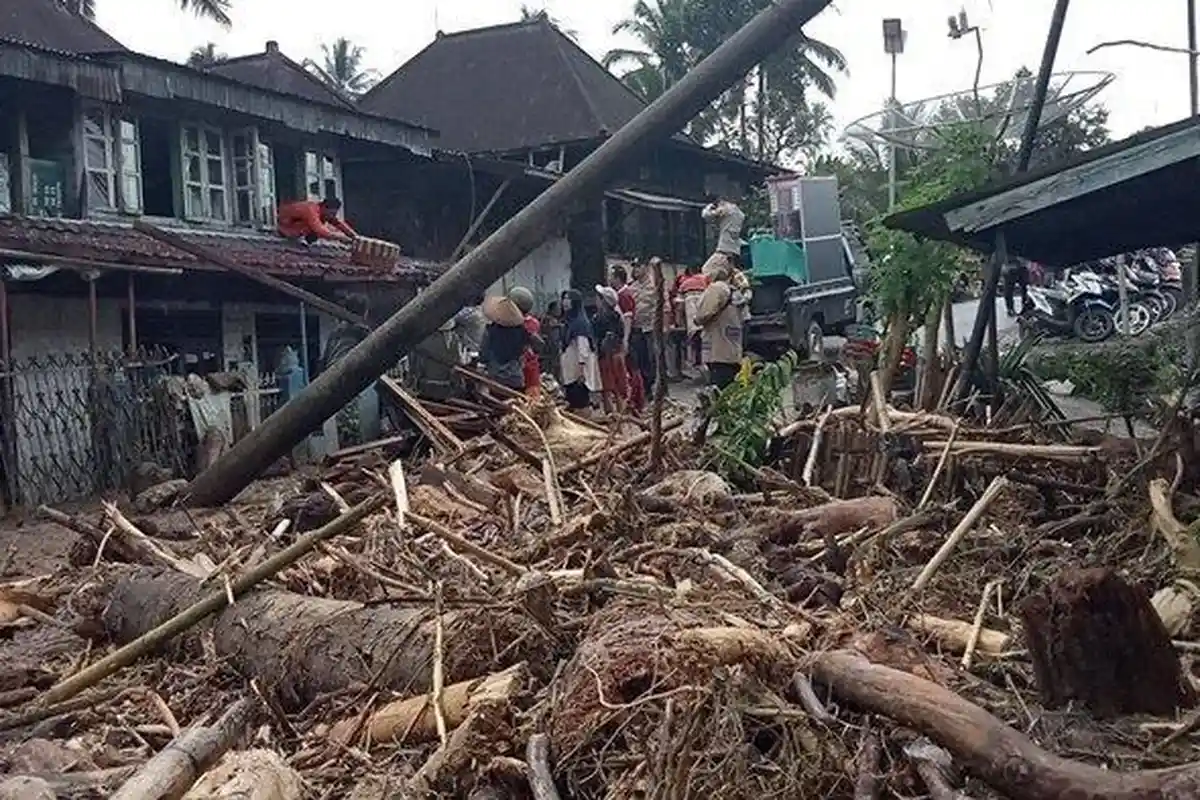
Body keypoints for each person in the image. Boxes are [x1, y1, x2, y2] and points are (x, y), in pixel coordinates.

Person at [694, 260, 744, 390]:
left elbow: (703, 314)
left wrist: (696, 319)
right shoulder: (735, 291)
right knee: (731, 389)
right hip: (732, 350)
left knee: (718, 390)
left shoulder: (717, 288)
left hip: (717, 348)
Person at [626, 257, 664, 400]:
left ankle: (653, 388)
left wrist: (664, 327)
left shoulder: (655, 286)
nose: (635, 269)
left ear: (646, 268)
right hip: (636, 329)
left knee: (652, 360)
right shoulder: (631, 287)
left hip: (650, 329)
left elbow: (663, 307)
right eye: (634, 266)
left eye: (638, 266)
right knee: (639, 360)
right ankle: (644, 389)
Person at [479, 290, 532, 392]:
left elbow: (483, 355)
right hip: (516, 378)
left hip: (496, 379)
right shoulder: (522, 331)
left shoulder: (490, 330)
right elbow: (524, 353)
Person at [560, 289, 600, 411]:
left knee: (580, 403)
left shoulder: (580, 323)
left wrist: (582, 371)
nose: (565, 302)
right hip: (570, 371)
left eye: (568, 299)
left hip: (577, 372)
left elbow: (583, 348)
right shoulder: (569, 322)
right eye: (564, 299)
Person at [593, 286, 631, 413]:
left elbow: (595, 338)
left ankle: (611, 417)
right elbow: (621, 334)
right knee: (619, 389)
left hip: (604, 357)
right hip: (617, 356)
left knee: (607, 390)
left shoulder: (598, 318)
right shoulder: (617, 316)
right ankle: (621, 415)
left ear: (603, 301)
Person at [508, 287, 544, 399]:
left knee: (515, 404)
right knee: (532, 405)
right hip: (532, 371)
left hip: (515, 372)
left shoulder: (510, 324)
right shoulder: (534, 322)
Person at [676, 265, 710, 379]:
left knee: (695, 346)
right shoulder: (708, 282)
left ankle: (698, 368)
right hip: (707, 321)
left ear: (690, 271)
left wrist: (679, 322)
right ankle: (706, 368)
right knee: (707, 347)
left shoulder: (684, 285)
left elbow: (679, 307)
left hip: (693, 322)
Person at [278, 196, 357, 244]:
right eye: (332, 213)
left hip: (294, 226)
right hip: (284, 226)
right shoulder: (310, 210)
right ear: (324, 207)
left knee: (320, 226)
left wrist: (354, 236)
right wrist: (340, 237)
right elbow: (320, 230)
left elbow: (338, 223)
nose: (332, 216)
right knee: (318, 229)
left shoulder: (323, 212)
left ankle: (300, 238)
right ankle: (289, 235)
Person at [700, 195, 746, 275]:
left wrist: (710, 206)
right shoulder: (740, 214)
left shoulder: (726, 208)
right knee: (726, 274)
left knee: (706, 270)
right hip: (735, 250)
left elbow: (705, 214)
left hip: (724, 250)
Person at [540, 301, 564, 384]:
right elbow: (554, 340)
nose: (559, 310)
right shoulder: (550, 321)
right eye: (557, 308)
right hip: (550, 354)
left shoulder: (550, 320)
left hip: (550, 354)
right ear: (552, 309)